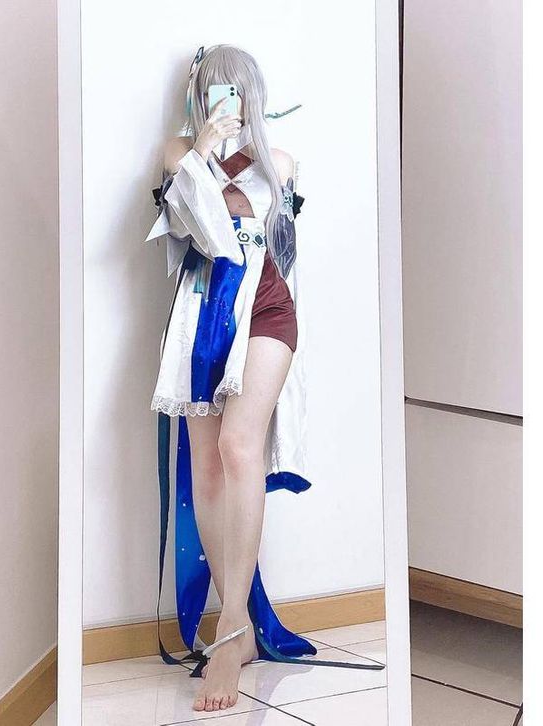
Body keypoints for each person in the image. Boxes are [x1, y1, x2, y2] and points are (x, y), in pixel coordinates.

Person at [145, 44, 381, 713]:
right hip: (200, 312)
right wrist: (202, 152)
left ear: (253, 95)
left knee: (239, 446)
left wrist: (233, 157)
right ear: (197, 97)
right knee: (206, 464)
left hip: (266, 307)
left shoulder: (279, 162)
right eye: (212, 89)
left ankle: (229, 633)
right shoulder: (177, 153)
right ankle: (238, 623)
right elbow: (198, 234)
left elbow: (273, 251)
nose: (225, 101)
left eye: (235, 89)